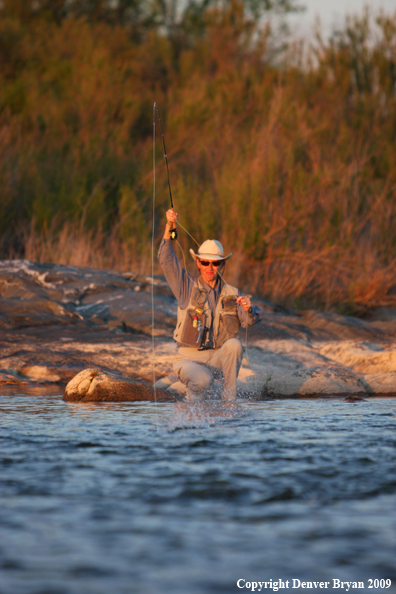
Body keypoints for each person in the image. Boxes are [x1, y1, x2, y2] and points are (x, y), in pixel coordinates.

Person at [158, 209, 263, 403]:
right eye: (205, 262)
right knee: (203, 381)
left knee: (235, 344)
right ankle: (193, 403)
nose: (209, 268)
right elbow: (165, 259)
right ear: (198, 263)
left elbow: (248, 321)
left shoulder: (232, 293)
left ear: (222, 265)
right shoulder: (185, 286)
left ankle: (228, 402)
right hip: (188, 360)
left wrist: (248, 309)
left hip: (217, 360)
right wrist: (169, 227)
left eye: (215, 263)